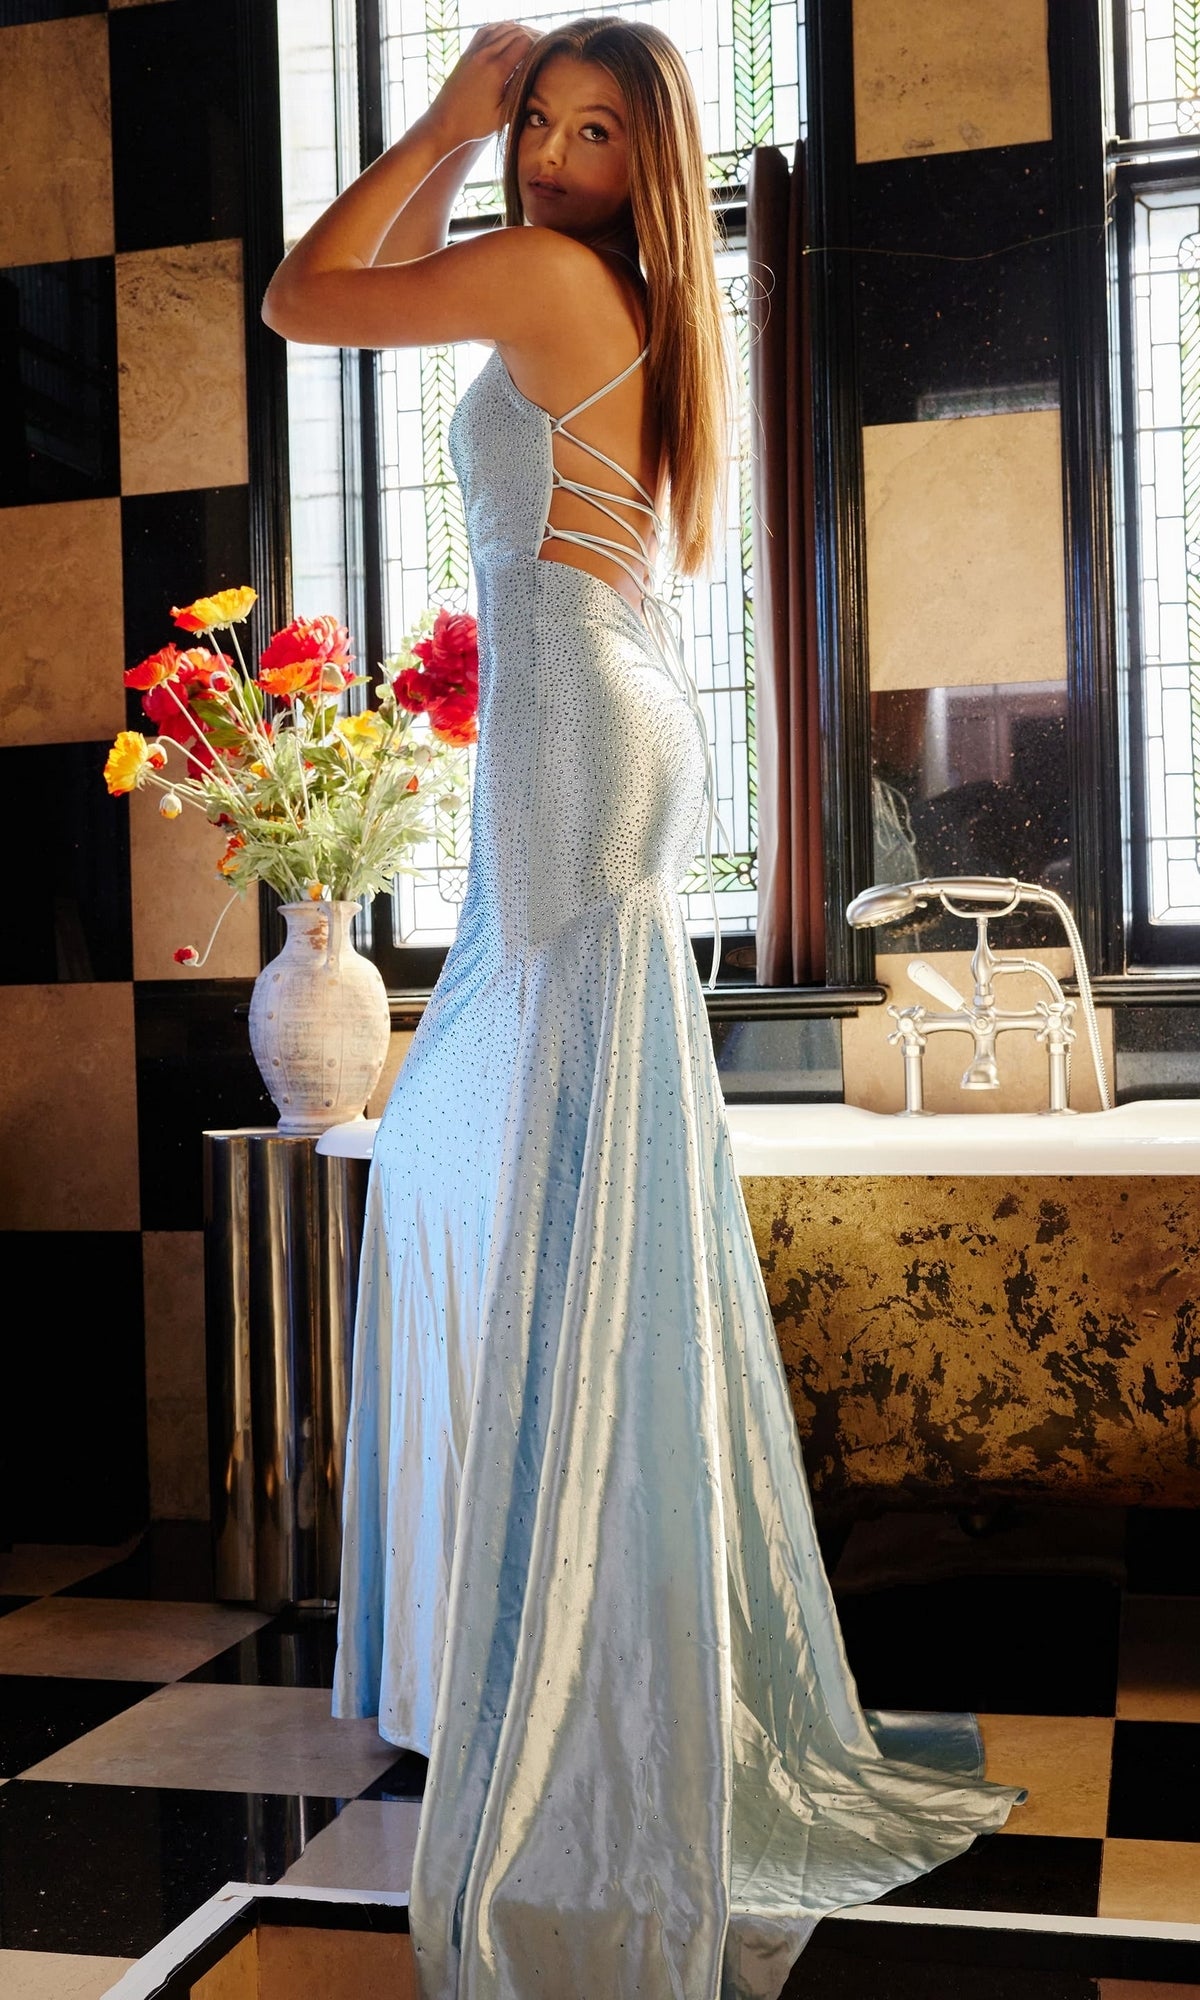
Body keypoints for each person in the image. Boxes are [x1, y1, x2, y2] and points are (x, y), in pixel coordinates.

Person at [263, 19, 1026, 1998]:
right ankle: (540, 1637)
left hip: (575, 738)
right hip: (599, 712)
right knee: (502, 1177)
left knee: (528, 1197)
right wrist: (469, 133)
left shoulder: (546, 268)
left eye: (598, 129)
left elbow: (298, 297)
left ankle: (560, 1673)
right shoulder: (626, 294)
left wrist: (434, 120)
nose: (557, 150)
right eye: (543, 116)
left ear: (644, 163)